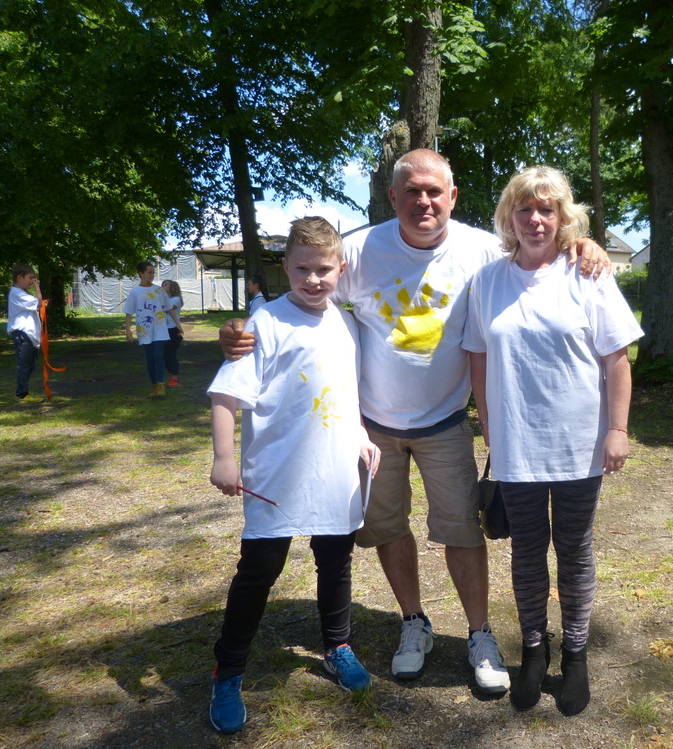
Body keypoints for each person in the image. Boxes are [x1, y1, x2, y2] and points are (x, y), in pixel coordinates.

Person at [219, 149, 610, 696]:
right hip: (373, 426)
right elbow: (306, 283)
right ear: (393, 197)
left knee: (462, 531)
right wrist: (244, 326)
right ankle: (413, 622)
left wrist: (582, 245)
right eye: (411, 191)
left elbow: (537, 249)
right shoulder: (359, 250)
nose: (423, 202)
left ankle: (479, 634)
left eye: (434, 191)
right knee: (387, 528)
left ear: (452, 196)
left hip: (446, 421)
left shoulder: (481, 249)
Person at [463, 166, 642, 716]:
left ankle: (577, 655)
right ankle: (534, 651)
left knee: (574, 548)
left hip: (578, 444)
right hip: (516, 443)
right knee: (526, 550)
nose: (536, 219)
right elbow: (478, 356)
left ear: (563, 217)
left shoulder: (588, 273)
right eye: (525, 209)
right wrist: (488, 423)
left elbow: (617, 359)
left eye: (547, 209)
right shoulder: (487, 280)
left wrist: (617, 430)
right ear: (509, 217)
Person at [207, 216, 381, 735]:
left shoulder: (347, 325)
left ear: (340, 269)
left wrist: (362, 434)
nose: (313, 279)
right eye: (302, 269)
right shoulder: (263, 323)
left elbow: (346, 391)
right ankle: (228, 671)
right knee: (260, 570)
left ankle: (337, 646)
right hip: (276, 477)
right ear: (285, 267)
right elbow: (225, 395)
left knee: (336, 561)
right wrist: (223, 457)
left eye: (323, 269)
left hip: (335, 472)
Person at [123, 261, 170, 398]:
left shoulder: (159, 290)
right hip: (144, 330)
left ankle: (161, 385)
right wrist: (128, 330)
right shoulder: (135, 292)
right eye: (149, 272)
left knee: (159, 356)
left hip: (159, 328)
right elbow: (128, 312)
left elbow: (169, 307)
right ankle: (154, 385)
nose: (152, 275)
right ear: (141, 273)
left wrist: (178, 324)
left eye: (153, 272)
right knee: (150, 359)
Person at [7, 264, 48, 403]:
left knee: (30, 365)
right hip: (22, 332)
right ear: (20, 278)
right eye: (30, 278)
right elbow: (38, 303)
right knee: (24, 364)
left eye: (34, 278)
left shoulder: (22, 294)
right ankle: (22, 394)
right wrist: (37, 288)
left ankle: (23, 392)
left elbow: (37, 305)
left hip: (28, 334)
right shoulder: (16, 293)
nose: (33, 281)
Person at [161, 279, 184, 387]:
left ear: (172, 287)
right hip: (164, 329)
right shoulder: (163, 299)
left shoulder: (176, 299)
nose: (163, 286)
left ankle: (175, 378)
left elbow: (167, 308)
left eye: (165, 285)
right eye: (162, 284)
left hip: (173, 329)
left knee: (170, 353)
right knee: (165, 355)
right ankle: (171, 377)